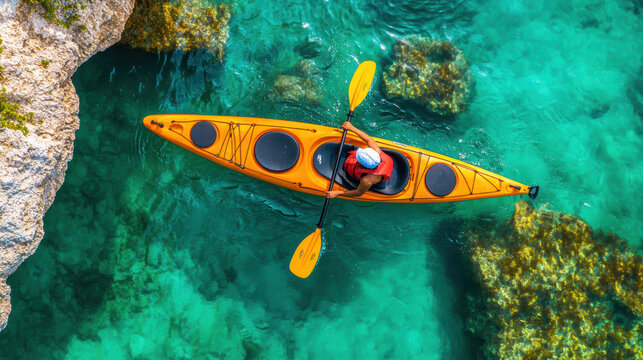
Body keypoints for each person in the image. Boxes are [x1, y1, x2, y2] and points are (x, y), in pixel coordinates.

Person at [326, 122, 394, 198]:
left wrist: (338, 193)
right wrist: (352, 128)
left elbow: (358, 193)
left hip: (369, 177)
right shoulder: (377, 151)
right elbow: (369, 140)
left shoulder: (367, 181)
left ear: (362, 164)